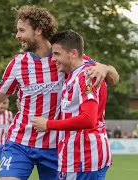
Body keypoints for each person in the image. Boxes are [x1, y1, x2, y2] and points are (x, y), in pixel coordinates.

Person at [0, 5, 119, 180]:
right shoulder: (17, 64)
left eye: (22, 30)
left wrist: (105, 68)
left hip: (56, 147)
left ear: (38, 30)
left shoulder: (64, 59)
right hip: (20, 142)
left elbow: (110, 78)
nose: (17, 36)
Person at [32, 30, 111, 180]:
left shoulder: (86, 77)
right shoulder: (74, 75)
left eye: (57, 54)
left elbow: (88, 119)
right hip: (75, 158)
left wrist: (48, 124)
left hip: (84, 158)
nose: (53, 59)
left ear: (73, 54)